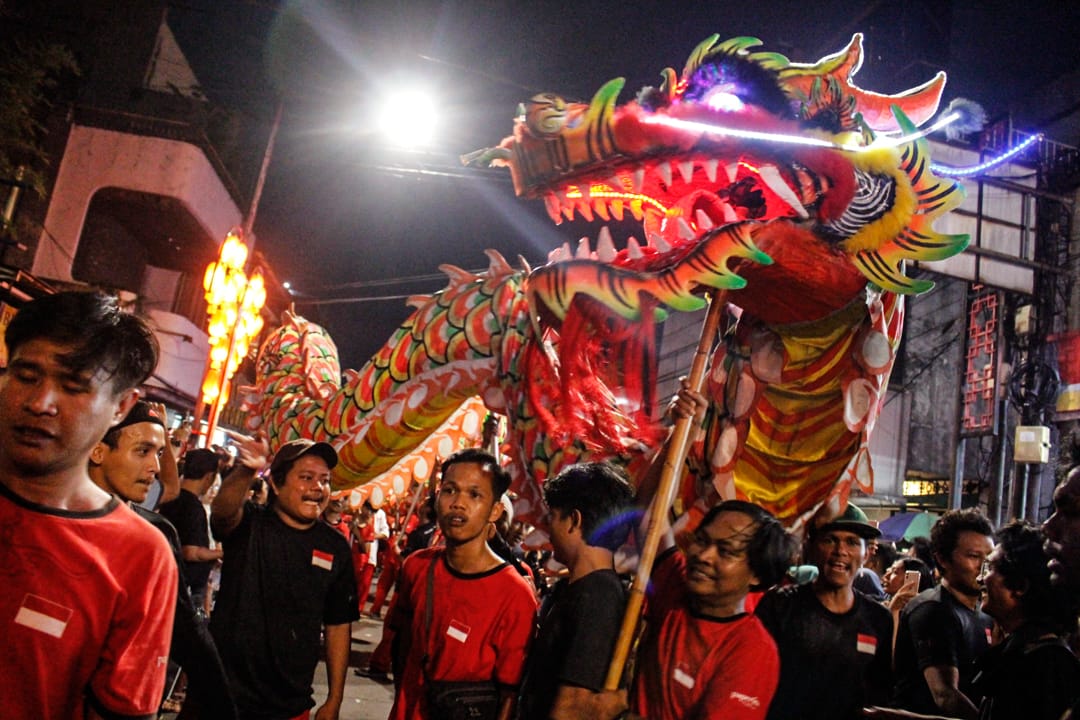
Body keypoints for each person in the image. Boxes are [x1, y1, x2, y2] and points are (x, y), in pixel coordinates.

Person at [0, 290, 177, 719]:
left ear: (121, 406)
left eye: (73, 386)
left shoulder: (140, 557)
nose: (40, 403)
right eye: (26, 375)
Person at [88, 400, 236, 719]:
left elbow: (190, 636)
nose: (155, 466)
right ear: (97, 451)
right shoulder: (48, 522)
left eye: (158, 453)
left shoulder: (157, 535)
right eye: (143, 451)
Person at [866, 521, 1080, 720]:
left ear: (1019, 586)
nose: (981, 577)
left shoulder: (1043, 662)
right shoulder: (1023, 649)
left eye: (990, 567)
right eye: (974, 557)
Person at [211, 437, 359, 720]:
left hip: (289, 704)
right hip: (221, 694)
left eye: (325, 480)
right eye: (306, 478)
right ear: (277, 485)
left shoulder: (335, 546)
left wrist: (335, 698)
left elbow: (338, 624)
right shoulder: (250, 524)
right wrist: (247, 469)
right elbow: (222, 514)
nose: (318, 487)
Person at [388, 448, 538, 720]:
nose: (458, 503)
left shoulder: (515, 594)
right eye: (449, 491)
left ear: (495, 511)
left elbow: (509, 693)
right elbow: (403, 646)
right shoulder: (417, 566)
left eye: (474, 494)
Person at [630, 498, 792, 720]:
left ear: (757, 574)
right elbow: (650, 511)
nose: (703, 556)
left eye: (725, 552)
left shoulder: (753, 651)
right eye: (701, 540)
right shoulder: (674, 584)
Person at [517, 462, 636, 720]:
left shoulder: (598, 597)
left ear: (574, 520)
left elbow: (571, 708)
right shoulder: (578, 589)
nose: (548, 528)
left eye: (552, 517)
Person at [755, 503, 894, 720]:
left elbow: (879, 692)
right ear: (810, 547)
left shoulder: (878, 619)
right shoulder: (779, 606)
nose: (840, 551)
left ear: (866, 555)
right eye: (829, 540)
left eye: (852, 542)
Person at [892, 509, 994, 718]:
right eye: (974, 556)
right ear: (942, 559)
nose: (984, 567)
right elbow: (945, 695)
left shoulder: (985, 612)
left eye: (990, 558)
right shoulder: (933, 609)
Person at [159, 447, 224, 608]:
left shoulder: (170, 498)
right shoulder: (194, 507)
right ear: (209, 477)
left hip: (167, 578)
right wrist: (221, 554)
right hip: (185, 588)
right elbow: (191, 552)